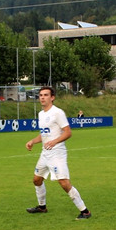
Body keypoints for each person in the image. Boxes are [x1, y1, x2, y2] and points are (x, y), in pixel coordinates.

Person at [25, 86, 91, 219]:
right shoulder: (41, 114)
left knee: (64, 183)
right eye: (41, 95)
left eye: (45, 95)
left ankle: (85, 211)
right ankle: (42, 207)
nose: (42, 97)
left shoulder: (57, 113)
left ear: (52, 98)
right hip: (45, 153)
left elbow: (68, 132)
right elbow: (44, 135)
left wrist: (54, 142)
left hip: (57, 153)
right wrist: (33, 141)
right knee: (37, 180)